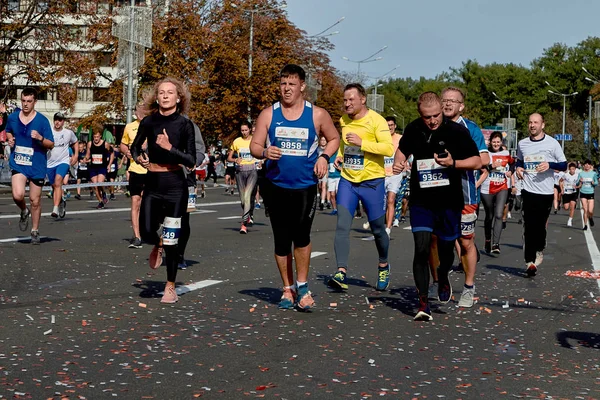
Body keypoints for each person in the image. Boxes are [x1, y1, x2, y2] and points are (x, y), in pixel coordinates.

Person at [250, 64, 339, 311]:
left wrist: (324, 158)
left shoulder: (317, 114)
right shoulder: (269, 114)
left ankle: (303, 286)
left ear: (302, 86)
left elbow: (334, 139)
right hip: (275, 185)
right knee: (281, 240)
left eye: (291, 84)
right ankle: (287, 288)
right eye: (282, 84)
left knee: (301, 236)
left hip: (305, 186)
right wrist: (265, 151)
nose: (286, 89)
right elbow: (254, 146)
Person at [393, 92, 481, 321]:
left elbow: (477, 161)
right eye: (427, 117)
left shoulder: (456, 132)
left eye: (435, 116)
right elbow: (402, 149)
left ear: (442, 110)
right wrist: (398, 161)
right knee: (421, 247)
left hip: (449, 201)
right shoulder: (414, 129)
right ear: (419, 114)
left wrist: (454, 163)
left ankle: (443, 276)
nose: (432, 121)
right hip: (422, 201)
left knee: (445, 248)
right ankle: (423, 303)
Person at [131, 77, 196, 304]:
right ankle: (157, 244)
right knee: (147, 230)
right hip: (153, 182)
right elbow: (135, 146)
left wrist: (170, 147)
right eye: (162, 92)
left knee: (172, 238)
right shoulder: (149, 122)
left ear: (179, 98)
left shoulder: (184, 125)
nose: (166, 95)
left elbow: (191, 160)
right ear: (156, 97)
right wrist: (139, 157)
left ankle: (170, 286)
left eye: (170, 92)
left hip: (176, 185)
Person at [326, 83, 394, 292]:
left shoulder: (377, 120)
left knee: (378, 230)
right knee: (342, 225)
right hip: (348, 180)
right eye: (345, 100)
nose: (347, 104)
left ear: (362, 99)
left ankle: (383, 265)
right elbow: (346, 146)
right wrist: (339, 156)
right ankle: (341, 271)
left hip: (372, 182)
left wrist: (363, 142)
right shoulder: (344, 120)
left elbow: (388, 148)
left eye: (351, 99)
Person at [433, 86, 489, 308]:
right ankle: (439, 281)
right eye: (444, 100)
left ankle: (468, 286)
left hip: (465, 194)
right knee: (435, 240)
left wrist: (454, 162)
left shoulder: (470, 129)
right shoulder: (432, 125)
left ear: (461, 106)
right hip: (436, 193)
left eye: (452, 101)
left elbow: (483, 159)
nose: (447, 104)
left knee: (465, 242)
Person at [515, 113, 567, 277]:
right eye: (530, 122)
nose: (532, 125)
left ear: (542, 125)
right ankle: (529, 262)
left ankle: (539, 246)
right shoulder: (522, 143)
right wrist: (518, 168)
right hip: (528, 190)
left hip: (545, 191)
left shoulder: (552, 143)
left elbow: (564, 164)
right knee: (529, 226)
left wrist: (549, 164)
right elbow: (519, 160)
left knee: (539, 226)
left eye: (536, 123)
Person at [5, 88, 55, 244]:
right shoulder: (13, 117)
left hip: (37, 164)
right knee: (17, 195)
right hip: (18, 162)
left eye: (29, 101)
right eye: (23, 101)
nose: (26, 104)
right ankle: (23, 210)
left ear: (35, 102)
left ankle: (34, 230)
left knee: (35, 200)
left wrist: (40, 138)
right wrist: (10, 139)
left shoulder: (42, 121)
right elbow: (8, 131)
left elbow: (51, 144)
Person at [178, 119, 206, 269]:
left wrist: (193, 161)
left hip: (187, 179)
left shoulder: (189, 125)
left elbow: (200, 150)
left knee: (184, 218)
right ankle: (162, 241)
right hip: (163, 178)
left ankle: (180, 254)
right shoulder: (157, 122)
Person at [120, 103, 149, 248]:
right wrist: (126, 152)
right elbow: (123, 144)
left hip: (151, 170)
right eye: (138, 110)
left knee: (149, 203)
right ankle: (137, 236)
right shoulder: (129, 127)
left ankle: (149, 229)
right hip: (135, 169)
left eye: (143, 110)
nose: (140, 112)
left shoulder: (153, 124)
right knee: (135, 202)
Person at [480, 131, 512, 254]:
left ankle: (496, 244)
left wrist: (511, 172)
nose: (496, 144)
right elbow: (480, 167)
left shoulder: (506, 153)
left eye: (498, 142)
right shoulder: (485, 153)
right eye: (494, 141)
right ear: (490, 142)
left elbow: (513, 164)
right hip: (487, 187)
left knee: (499, 214)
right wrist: (491, 166)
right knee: (489, 215)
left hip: (502, 186)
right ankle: (488, 239)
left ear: (501, 142)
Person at [228, 122, 258, 233]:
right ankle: (248, 214)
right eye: (242, 130)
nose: (244, 132)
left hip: (252, 171)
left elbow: (263, 153)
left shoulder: (255, 140)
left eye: (246, 130)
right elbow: (229, 157)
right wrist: (235, 160)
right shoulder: (237, 141)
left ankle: (243, 225)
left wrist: (261, 162)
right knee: (242, 200)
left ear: (250, 129)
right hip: (240, 171)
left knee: (247, 196)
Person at [47, 112, 77, 219]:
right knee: (54, 186)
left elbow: (75, 142)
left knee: (58, 181)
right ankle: (61, 202)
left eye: (59, 120)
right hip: (50, 163)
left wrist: (76, 155)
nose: (57, 122)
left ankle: (55, 208)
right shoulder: (49, 131)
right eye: (56, 120)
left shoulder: (68, 133)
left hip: (63, 162)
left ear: (63, 122)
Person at [85, 127, 113, 209]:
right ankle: (100, 202)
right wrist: (85, 159)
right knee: (95, 186)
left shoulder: (105, 144)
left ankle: (104, 193)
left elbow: (112, 153)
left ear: (100, 136)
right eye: (94, 137)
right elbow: (87, 154)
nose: (96, 139)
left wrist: (109, 165)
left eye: (97, 137)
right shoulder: (90, 144)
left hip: (102, 167)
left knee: (99, 182)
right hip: (93, 167)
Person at [383, 116, 402, 236]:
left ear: (394, 126)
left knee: (391, 199)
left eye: (391, 125)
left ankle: (388, 229)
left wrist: (405, 163)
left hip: (395, 174)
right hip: (381, 174)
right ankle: (383, 224)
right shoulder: (381, 138)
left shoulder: (400, 138)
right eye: (387, 125)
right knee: (381, 202)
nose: (389, 127)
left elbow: (408, 151)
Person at [578, 159, 598, 230]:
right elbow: (577, 183)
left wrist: (593, 183)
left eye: (588, 164)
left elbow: (596, 182)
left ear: (590, 166)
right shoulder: (581, 173)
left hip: (590, 193)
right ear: (583, 166)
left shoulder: (593, 173)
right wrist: (579, 181)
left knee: (590, 211)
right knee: (585, 210)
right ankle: (585, 225)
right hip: (583, 192)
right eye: (585, 164)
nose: (587, 165)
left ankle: (590, 217)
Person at [560, 162, 581, 227]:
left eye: (573, 169)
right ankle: (564, 203)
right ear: (569, 169)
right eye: (571, 169)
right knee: (566, 207)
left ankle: (570, 220)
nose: (572, 170)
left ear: (575, 169)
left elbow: (580, 183)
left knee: (572, 206)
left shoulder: (577, 175)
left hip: (573, 193)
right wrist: (562, 189)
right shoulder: (565, 175)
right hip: (566, 193)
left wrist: (577, 187)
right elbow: (560, 181)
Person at [326, 148, 341, 215]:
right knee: (332, 195)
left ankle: (340, 209)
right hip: (330, 177)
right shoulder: (329, 154)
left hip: (338, 177)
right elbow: (327, 165)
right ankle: (335, 209)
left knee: (338, 194)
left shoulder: (339, 154)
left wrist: (339, 168)